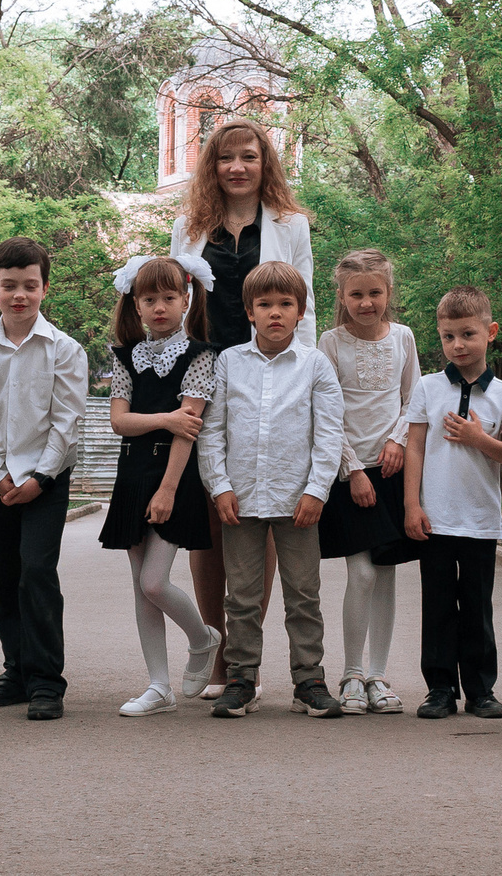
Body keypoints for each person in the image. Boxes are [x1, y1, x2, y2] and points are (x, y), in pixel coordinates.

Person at [167, 115, 313, 692]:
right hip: (204, 373)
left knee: (257, 515)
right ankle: (218, 654)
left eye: (248, 157)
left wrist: (304, 380)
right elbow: (175, 304)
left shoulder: (291, 225)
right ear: (212, 165)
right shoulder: (189, 226)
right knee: (210, 517)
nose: (237, 167)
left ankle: (246, 656)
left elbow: (302, 306)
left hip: (267, 377)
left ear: (264, 162)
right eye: (226, 158)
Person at [197, 261, 346, 718]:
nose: (275, 313)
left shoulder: (315, 365)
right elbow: (212, 430)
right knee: (241, 595)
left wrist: (317, 490)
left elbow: (329, 433)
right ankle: (240, 678)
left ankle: (309, 680)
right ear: (249, 311)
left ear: (301, 311)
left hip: (297, 498)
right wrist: (219, 486)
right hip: (240, 499)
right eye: (265, 305)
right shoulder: (229, 363)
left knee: (303, 594)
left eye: (286, 304)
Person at [0, 235, 89, 720]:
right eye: (9, 285)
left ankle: (47, 681)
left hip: (45, 480)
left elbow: (67, 420)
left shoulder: (65, 350)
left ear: (44, 289)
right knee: (6, 578)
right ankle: (16, 668)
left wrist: (40, 477)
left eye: (29, 286)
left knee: (37, 571)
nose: (19, 295)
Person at [99, 254, 223, 715]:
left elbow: (187, 430)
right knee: (139, 585)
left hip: (173, 476)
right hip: (132, 474)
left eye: (169, 298)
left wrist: (169, 489)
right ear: (135, 305)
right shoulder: (126, 356)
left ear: (186, 300)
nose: (159, 307)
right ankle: (158, 686)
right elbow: (118, 422)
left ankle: (203, 637)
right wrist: (165, 418)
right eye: (148, 299)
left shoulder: (199, 356)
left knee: (155, 581)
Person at [402, 285, 502, 720]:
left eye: (468, 334)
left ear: (490, 333)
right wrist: (411, 506)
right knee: (437, 606)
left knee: (476, 606)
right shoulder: (428, 388)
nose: (458, 344)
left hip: (480, 519)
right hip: (434, 518)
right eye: (449, 336)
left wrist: (479, 439)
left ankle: (480, 690)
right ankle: (439, 689)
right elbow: (414, 446)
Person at [315, 248, 417, 714]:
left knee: (387, 576)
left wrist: (397, 442)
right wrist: (353, 468)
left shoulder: (404, 338)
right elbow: (326, 413)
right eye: (356, 294)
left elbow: (412, 399)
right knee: (360, 573)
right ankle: (351, 674)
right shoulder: (331, 342)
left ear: (388, 292)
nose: (366, 302)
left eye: (375, 292)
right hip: (349, 472)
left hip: (394, 469)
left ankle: (378, 674)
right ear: (342, 295)